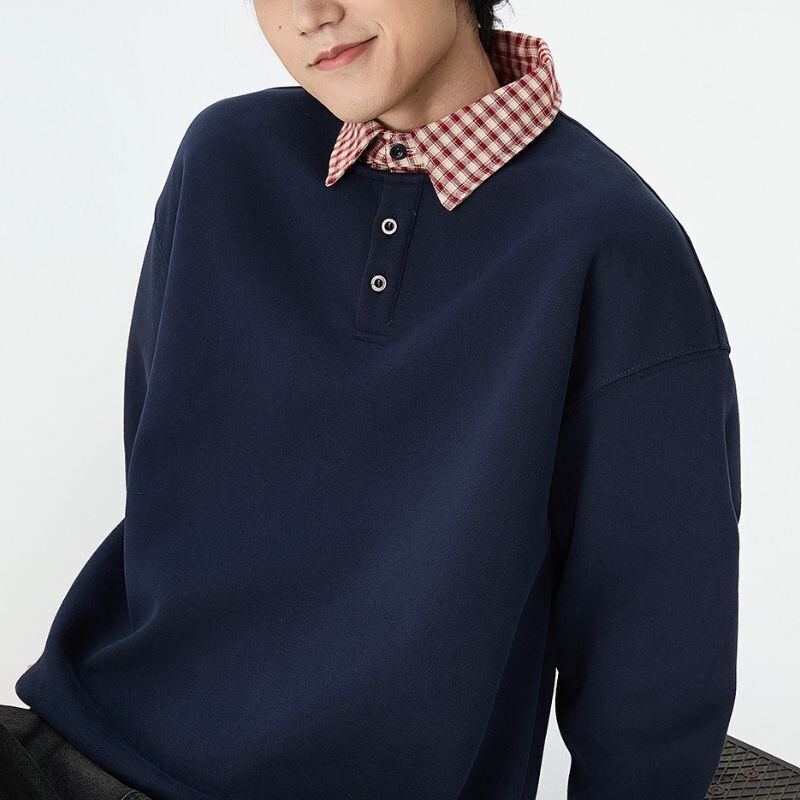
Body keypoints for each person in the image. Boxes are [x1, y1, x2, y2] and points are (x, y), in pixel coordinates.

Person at [5, 0, 741, 798]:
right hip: (75, 748)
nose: (310, 14)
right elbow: (161, 489)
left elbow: (656, 670)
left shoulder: (615, 250)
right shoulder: (226, 158)